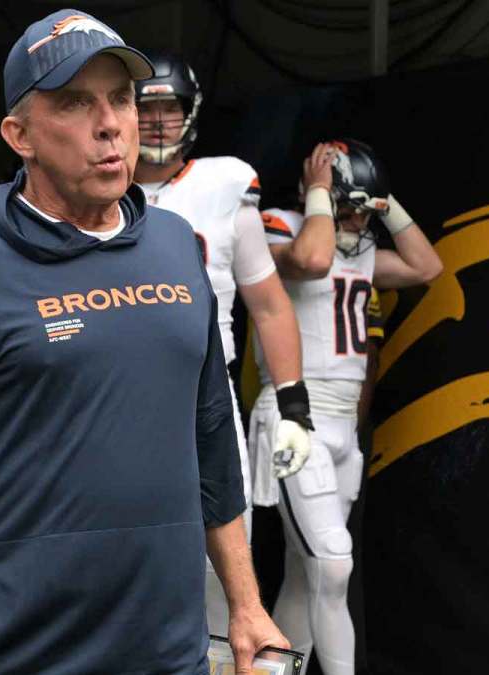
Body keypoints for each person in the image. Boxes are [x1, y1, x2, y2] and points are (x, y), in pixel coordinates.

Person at [0, 9, 289, 674]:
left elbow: (211, 443)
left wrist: (246, 602)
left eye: (121, 98)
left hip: (165, 647)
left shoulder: (175, 248)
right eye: (76, 103)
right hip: (12, 648)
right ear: (18, 133)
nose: (111, 123)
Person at [132, 50, 312, 636]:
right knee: (119, 562)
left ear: (191, 114)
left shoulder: (225, 184)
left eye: (171, 108)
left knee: (227, 568)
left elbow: (269, 302)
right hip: (113, 398)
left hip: (203, 399)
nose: (158, 122)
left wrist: (294, 406)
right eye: (147, 108)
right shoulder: (89, 187)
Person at [252, 140, 442, 675]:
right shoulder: (279, 225)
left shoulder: (358, 250)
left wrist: (384, 199)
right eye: (350, 206)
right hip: (296, 412)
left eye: (366, 210)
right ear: (321, 197)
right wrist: (319, 192)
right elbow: (311, 261)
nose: (359, 219)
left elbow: (426, 267)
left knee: (306, 571)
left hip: (341, 426)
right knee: (333, 566)